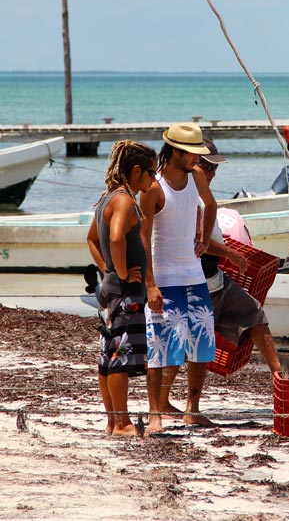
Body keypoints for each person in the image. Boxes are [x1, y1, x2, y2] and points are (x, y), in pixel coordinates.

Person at [139, 122, 217, 435]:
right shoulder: (155, 188)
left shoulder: (196, 175)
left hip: (194, 275)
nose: (198, 159)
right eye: (192, 154)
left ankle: (192, 409)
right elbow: (143, 239)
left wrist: (206, 239)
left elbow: (211, 204)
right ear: (175, 152)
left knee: (202, 345)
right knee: (161, 348)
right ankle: (155, 414)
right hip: (165, 278)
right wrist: (150, 285)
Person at [86, 140, 158, 436]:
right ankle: (123, 423)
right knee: (120, 357)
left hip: (109, 292)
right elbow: (115, 238)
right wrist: (124, 273)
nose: (153, 179)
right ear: (137, 171)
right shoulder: (125, 200)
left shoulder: (108, 198)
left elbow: (91, 239)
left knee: (107, 357)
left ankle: (112, 421)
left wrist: (107, 270)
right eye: (151, 173)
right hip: (124, 294)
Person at [194, 138, 283, 375]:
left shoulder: (204, 195)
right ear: (194, 163)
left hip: (217, 280)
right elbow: (198, 241)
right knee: (196, 348)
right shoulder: (187, 195)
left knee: (254, 313)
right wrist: (231, 254)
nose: (213, 173)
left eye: (216, 167)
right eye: (208, 167)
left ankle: (279, 375)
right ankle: (166, 403)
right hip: (197, 284)